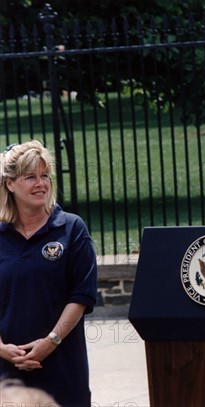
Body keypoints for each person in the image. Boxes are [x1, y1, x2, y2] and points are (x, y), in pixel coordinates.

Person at [0, 140, 98, 406]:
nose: (40, 183)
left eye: (45, 176)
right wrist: (2, 349)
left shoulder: (71, 228)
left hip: (62, 369)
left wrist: (51, 341)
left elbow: (81, 296)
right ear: (10, 184)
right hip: (7, 374)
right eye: (30, 177)